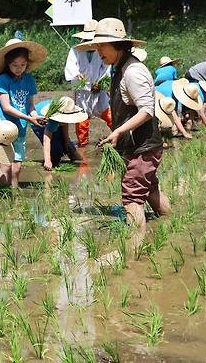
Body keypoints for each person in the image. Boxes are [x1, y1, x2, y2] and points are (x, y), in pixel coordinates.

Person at [76, 17, 170, 230]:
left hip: (143, 146)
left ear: (117, 44)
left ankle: (135, 247)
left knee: (132, 194)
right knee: (150, 189)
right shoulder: (119, 67)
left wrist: (118, 130)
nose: (99, 51)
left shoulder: (133, 71)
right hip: (137, 145)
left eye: (102, 45)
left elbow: (147, 111)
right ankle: (170, 223)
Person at [0, 38, 48, 187]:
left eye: (23, 65)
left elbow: (30, 106)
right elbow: (6, 107)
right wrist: (29, 119)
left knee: (16, 168)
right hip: (4, 128)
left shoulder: (29, 79)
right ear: (8, 64)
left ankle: (15, 198)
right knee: (5, 166)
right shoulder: (2, 80)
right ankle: (1, 196)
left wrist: (36, 116)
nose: (19, 68)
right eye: (15, 65)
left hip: (21, 127)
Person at [63, 20, 112, 147]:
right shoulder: (75, 50)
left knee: (107, 113)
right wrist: (77, 74)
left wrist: (100, 83)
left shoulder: (101, 49)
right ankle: (83, 144)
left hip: (99, 88)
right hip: (82, 89)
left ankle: (119, 136)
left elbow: (106, 68)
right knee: (82, 116)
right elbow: (71, 67)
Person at [31, 96, 85, 171]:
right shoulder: (53, 119)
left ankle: (69, 152)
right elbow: (47, 139)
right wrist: (47, 160)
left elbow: (65, 123)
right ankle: (53, 157)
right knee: (56, 154)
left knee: (69, 148)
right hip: (39, 121)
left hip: (53, 122)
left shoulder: (66, 110)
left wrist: (67, 142)